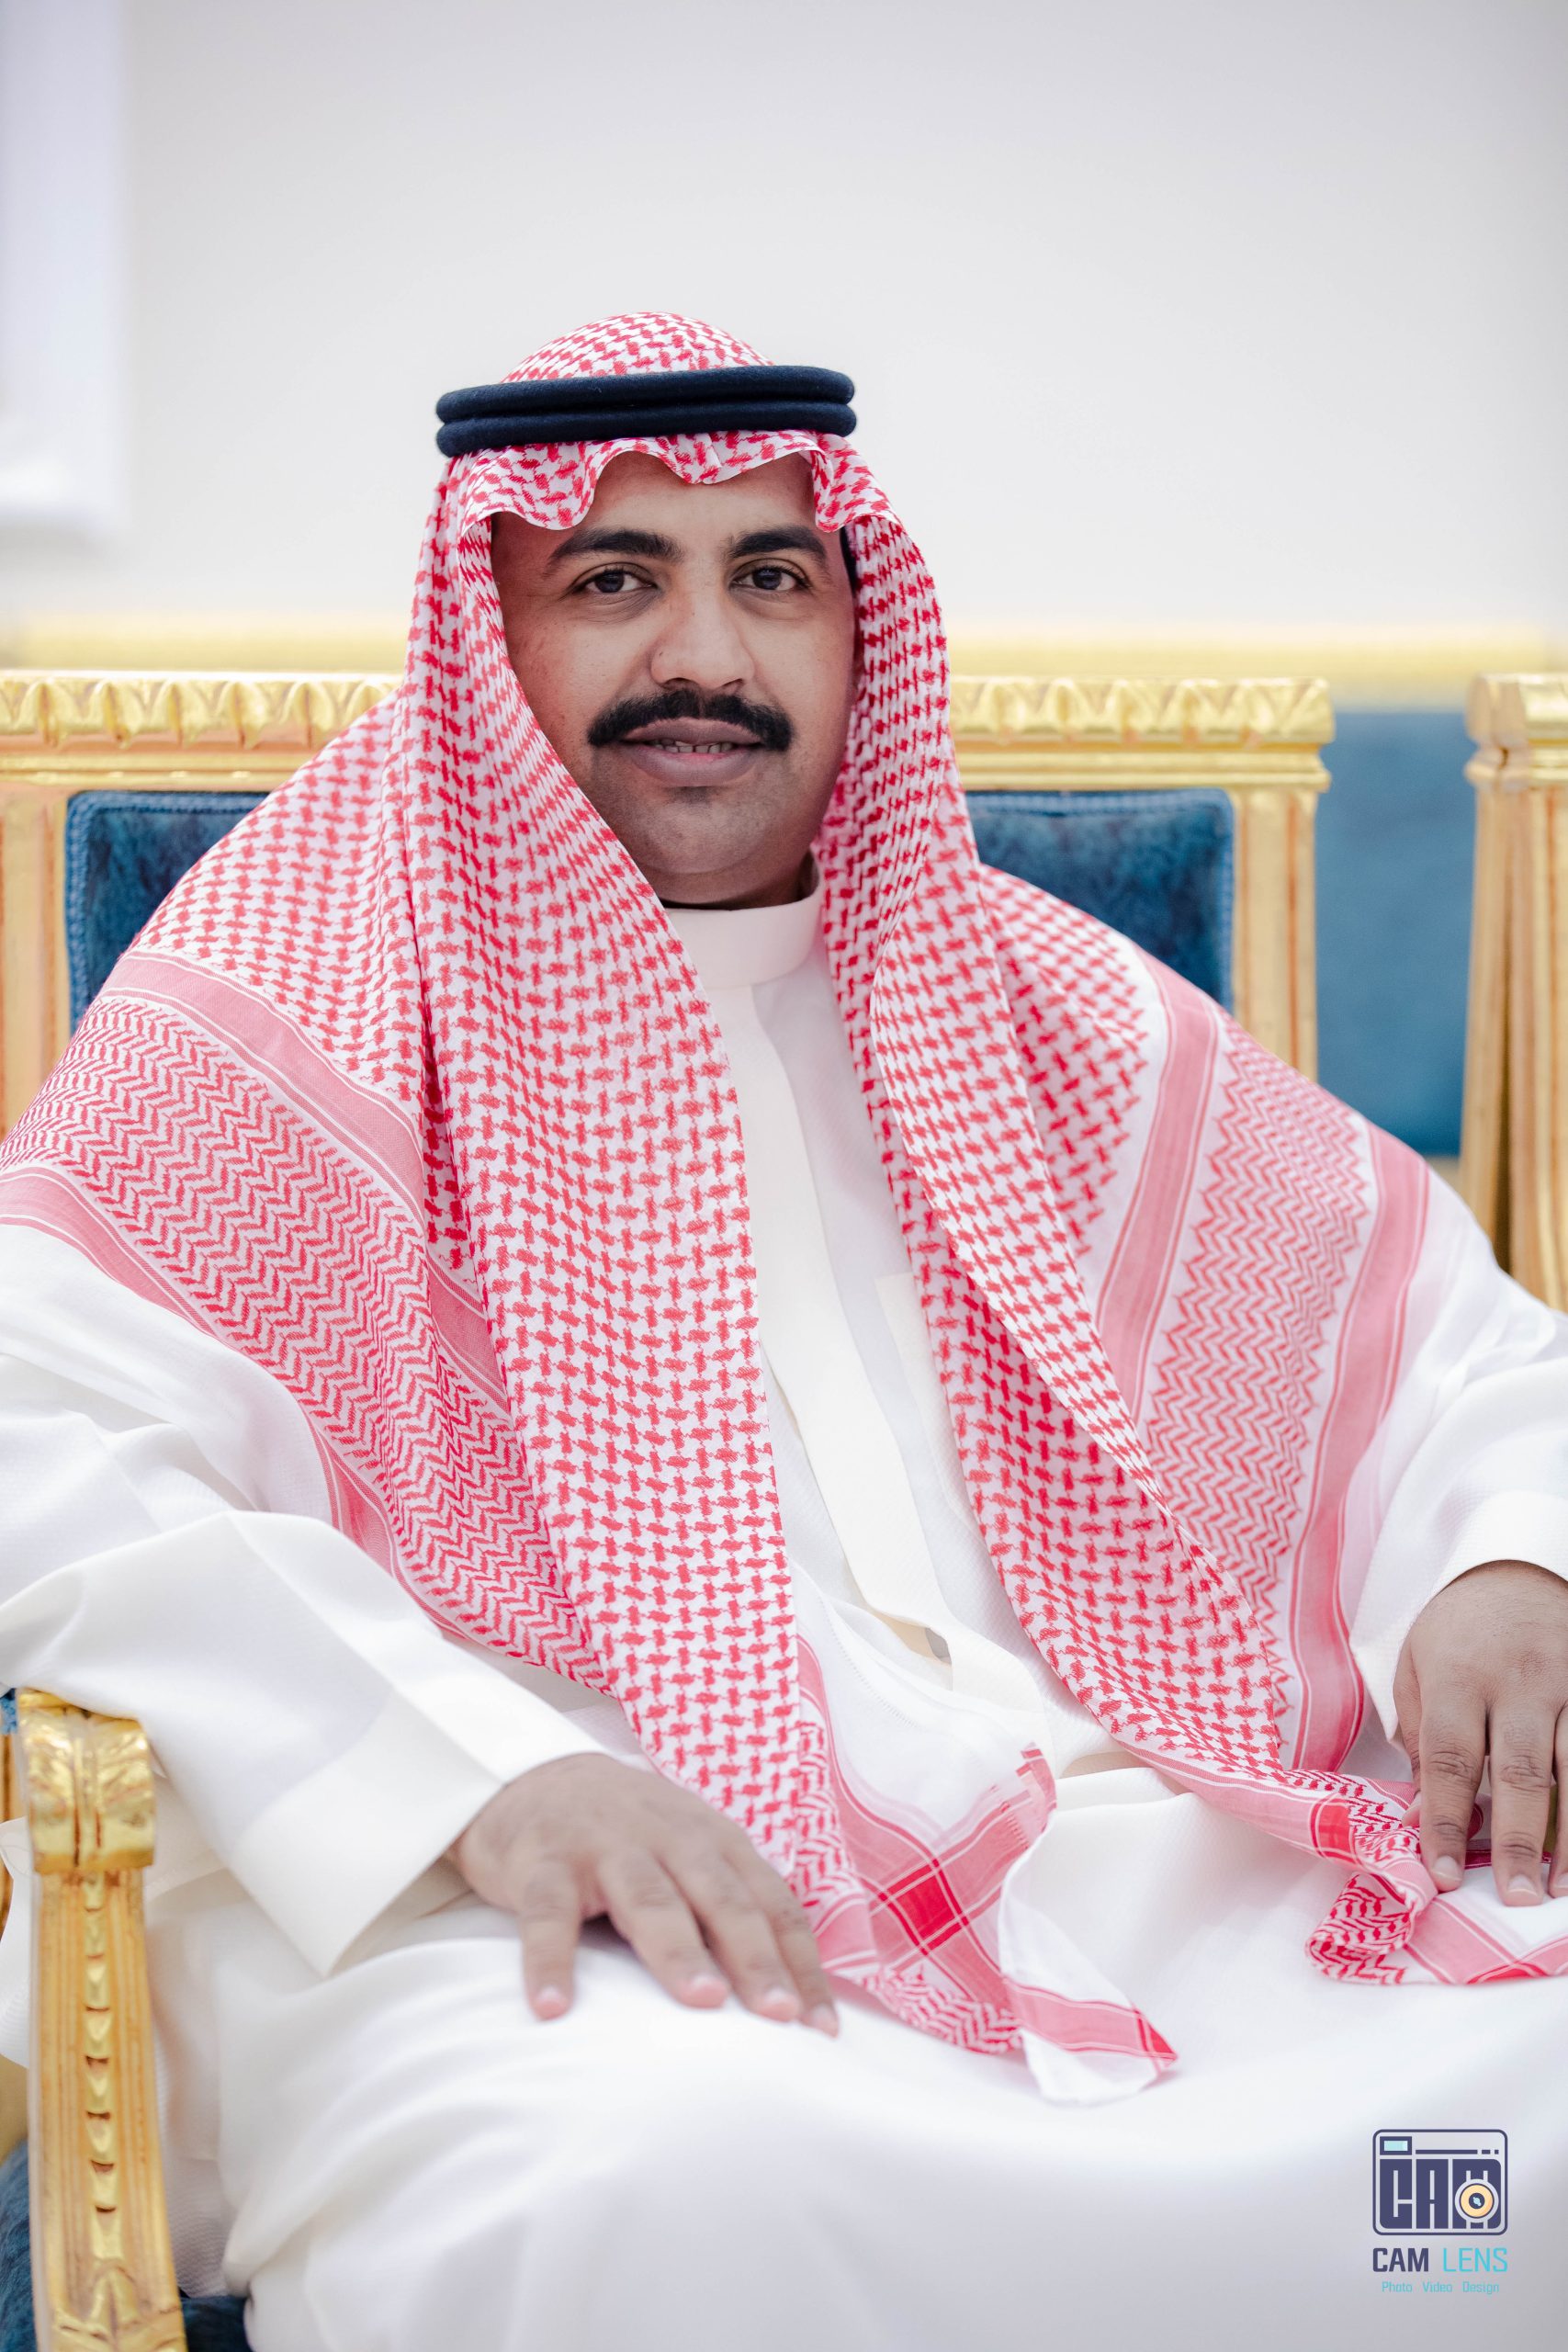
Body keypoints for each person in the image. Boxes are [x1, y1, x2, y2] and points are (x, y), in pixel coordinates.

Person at [1, 311, 1566, 2350]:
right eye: (612, 581)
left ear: (852, 624)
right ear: (486, 621)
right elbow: (51, 1445)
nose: (706, 656)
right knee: (654, 2184)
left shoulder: (1033, 996)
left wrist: (1505, 1558)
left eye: (769, 576)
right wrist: (475, 1775)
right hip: (564, 1899)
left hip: (1152, 1838)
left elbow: (1450, 1347)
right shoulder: (280, 1002)